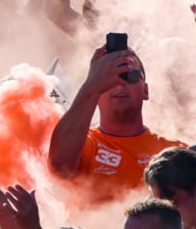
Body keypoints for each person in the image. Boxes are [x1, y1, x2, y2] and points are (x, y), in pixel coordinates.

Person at [48, 44, 182, 200]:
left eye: (129, 76)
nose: (120, 84)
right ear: (97, 88)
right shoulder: (86, 143)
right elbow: (59, 166)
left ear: (145, 90)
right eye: (109, 78)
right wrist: (92, 85)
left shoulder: (173, 151)